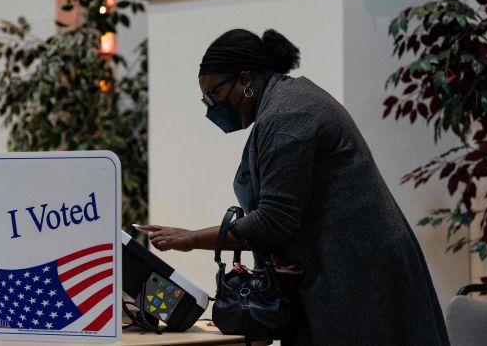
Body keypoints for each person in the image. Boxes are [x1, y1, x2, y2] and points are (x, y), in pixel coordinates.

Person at [136, 28, 450, 345]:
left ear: (245, 79)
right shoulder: (285, 102)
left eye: (214, 95)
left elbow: (275, 221)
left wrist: (190, 239)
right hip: (343, 266)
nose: (211, 107)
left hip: (358, 274)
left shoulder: (289, 114)